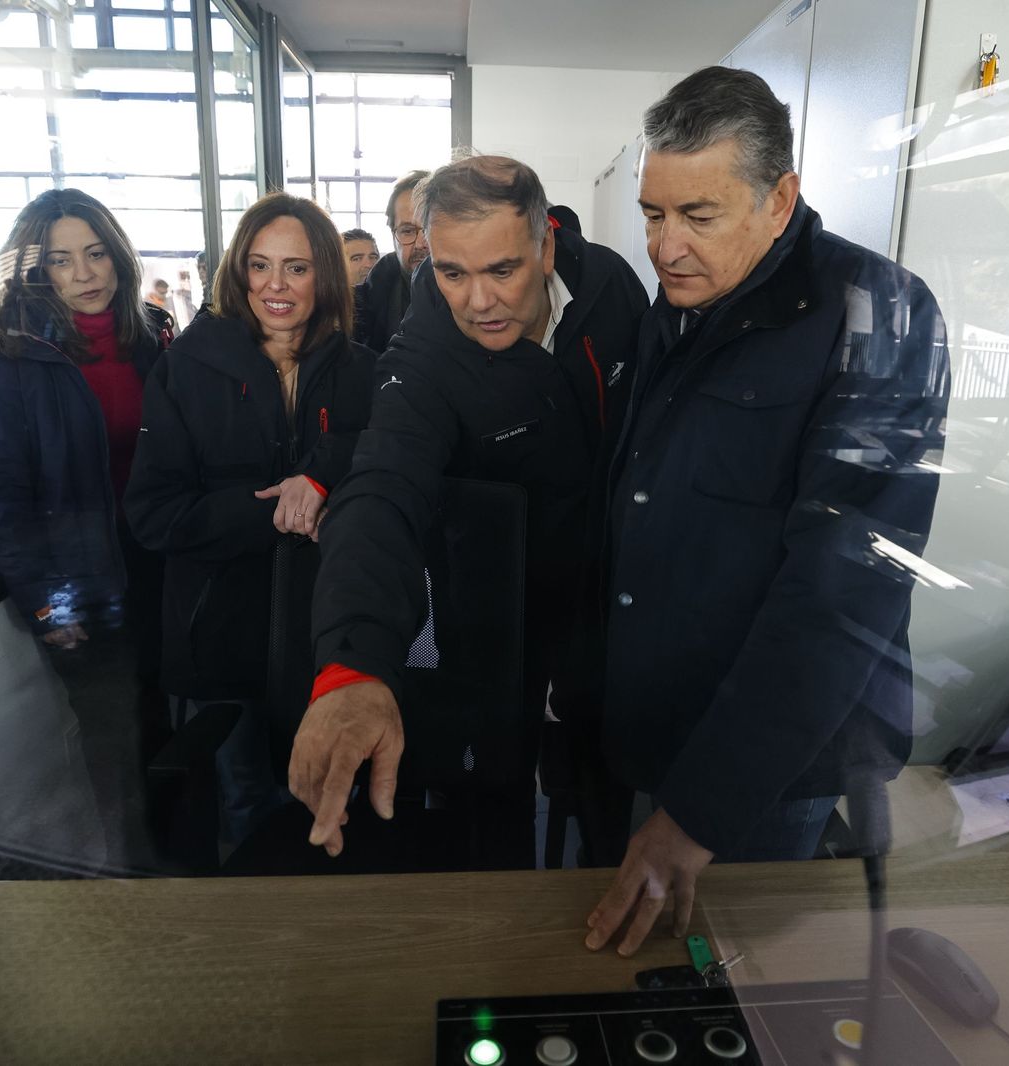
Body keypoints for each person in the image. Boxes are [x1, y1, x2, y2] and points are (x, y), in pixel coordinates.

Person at [582, 67, 949, 956]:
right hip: (652, 726)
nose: (665, 246)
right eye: (653, 214)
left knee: (745, 992)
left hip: (763, 770)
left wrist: (697, 814)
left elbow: (839, 596)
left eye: (697, 216)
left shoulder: (878, 312)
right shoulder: (678, 305)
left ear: (779, 198)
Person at [291, 156, 649, 870]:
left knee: (609, 800)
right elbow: (383, 489)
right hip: (497, 617)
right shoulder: (426, 353)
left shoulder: (611, 287)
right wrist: (351, 665)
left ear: (546, 245)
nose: (478, 300)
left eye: (502, 271)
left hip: (617, 600)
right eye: (452, 273)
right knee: (493, 808)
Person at [124, 194, 375, 846]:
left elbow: (391, 461)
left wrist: (325, 476)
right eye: (259, 266)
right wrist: (276, 514)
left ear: (324, 273)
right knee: (249, 819)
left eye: (296, 267)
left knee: (339, 820)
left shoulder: (364, 372)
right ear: (238, 273)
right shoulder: (187, 368)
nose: (276, 285)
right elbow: (154, 515)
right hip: (224, 646)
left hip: (332, 644)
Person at [0, 188, 173, 871]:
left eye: (95, 253)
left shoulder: (152, 338)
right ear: (32, 269)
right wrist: (49, 603)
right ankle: (132, 886)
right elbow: (2, 495)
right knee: (115, 744)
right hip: (82, 585)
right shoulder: (9, 358)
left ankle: (187, 873)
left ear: (118, 257)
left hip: (160, 568)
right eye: (60, 260)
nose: (84, 274)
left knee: (167, 726)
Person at [353, 170, 430, 352]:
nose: (420, 244)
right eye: (407, 231)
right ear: (393, 235)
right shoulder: (367, 302)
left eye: (429, 228)